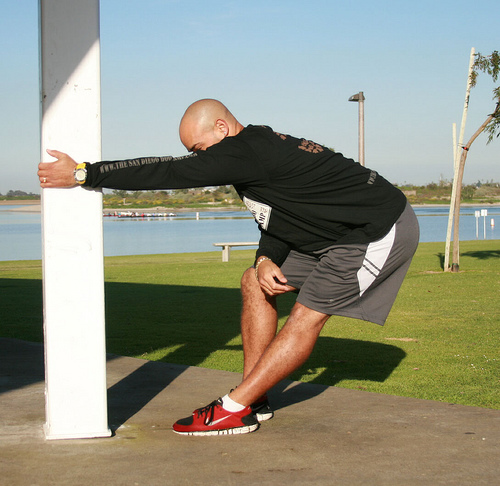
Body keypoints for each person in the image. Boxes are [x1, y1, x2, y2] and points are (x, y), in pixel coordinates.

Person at [38, 98, 419, 436]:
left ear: (222, 128)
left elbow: (169, 171)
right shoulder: (250, 154)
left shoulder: (247, 150)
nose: (199, 158)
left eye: (200, 149)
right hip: (331, 235)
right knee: (254, 280)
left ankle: (232, 408)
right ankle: (254, 399)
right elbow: (275, 216)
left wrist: (84, 173)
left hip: (377, 229)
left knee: (306, 316)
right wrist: (265, 258)